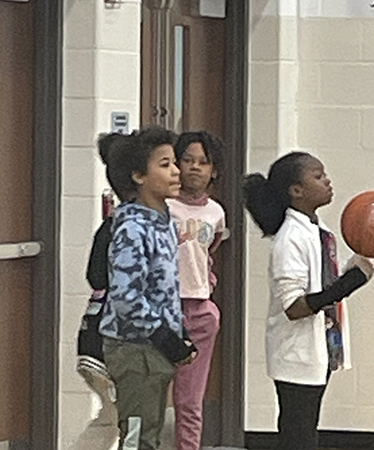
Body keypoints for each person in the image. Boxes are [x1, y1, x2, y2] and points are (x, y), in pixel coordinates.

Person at [243, 152, 373, 450]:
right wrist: (350, 282)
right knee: (297, 435)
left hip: (321, 347)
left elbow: (324, 281)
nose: (327, 180)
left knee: (305, 431)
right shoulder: (290, 239)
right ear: (296, 190)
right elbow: (295, 307)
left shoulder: (318, 229)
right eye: (317, 176)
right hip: (295, 354)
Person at [99, 127, 197, 450]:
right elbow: (126, 296)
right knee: (137, 436)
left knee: (152, 435)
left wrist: (179, 334)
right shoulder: (131, 227)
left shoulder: (165, 220)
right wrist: (164, 336)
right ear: (139, 175)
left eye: (174, 163)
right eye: (165, 164)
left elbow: (165, 288)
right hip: (134, 349)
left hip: (157, 348)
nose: (176, 172)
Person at [166, 131, 227, 450]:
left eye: (203, 162)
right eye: (187, 160)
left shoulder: (216, 213)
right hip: (163, 310)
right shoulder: (163, 206)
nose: (195, 167)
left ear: (213, 170)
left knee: (190, 400)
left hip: (199, 310)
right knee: (148, 399)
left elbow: (209, 252)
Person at [70, 133, 130, 450]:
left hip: (95, 336)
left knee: (110, 421)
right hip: (111, 344)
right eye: (166, 165)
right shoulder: (129, 227)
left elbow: (94, 276)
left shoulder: (113, 224)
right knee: (130, 422)